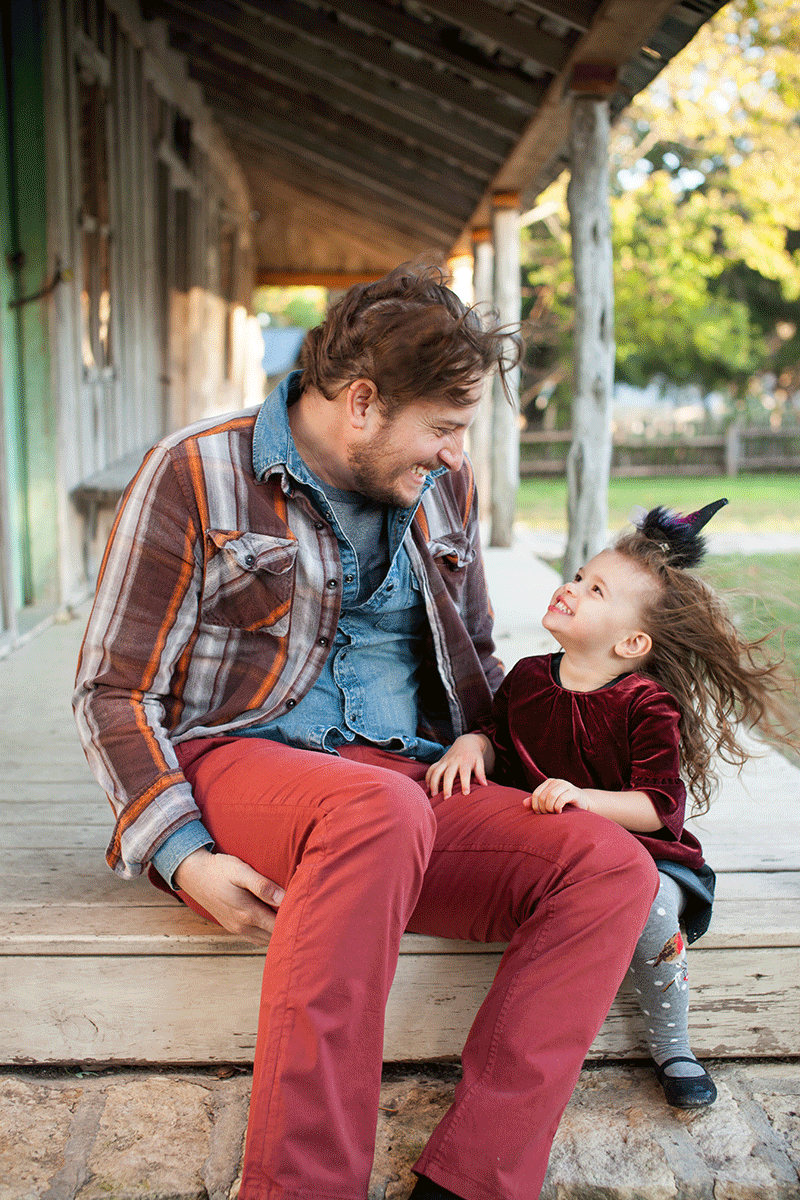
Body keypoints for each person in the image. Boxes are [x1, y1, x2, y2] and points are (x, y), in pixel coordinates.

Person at [74, 263, 658, 1200]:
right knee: (377, 813)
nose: (456, 457)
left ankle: (471, 1182)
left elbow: (470, 648)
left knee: (609, 868)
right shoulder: (193, 472)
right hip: (247, 763)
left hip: (414, 785)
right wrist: (179, 853)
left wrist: (488, 736)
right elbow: (113, 689)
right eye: (445, 429)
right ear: (360, 402)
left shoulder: (438, 493)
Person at [427, 498, 798, 1112]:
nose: (571, 589)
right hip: (559, 859)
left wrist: (583, 800)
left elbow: (658, 808)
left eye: (595, 590)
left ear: (631, 642)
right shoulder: (526, 678)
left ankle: (673, 1043)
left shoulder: (646, 706)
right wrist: (472, 743)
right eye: (578, 576)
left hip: (652, 862)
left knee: (651, 906)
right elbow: (496, 734)